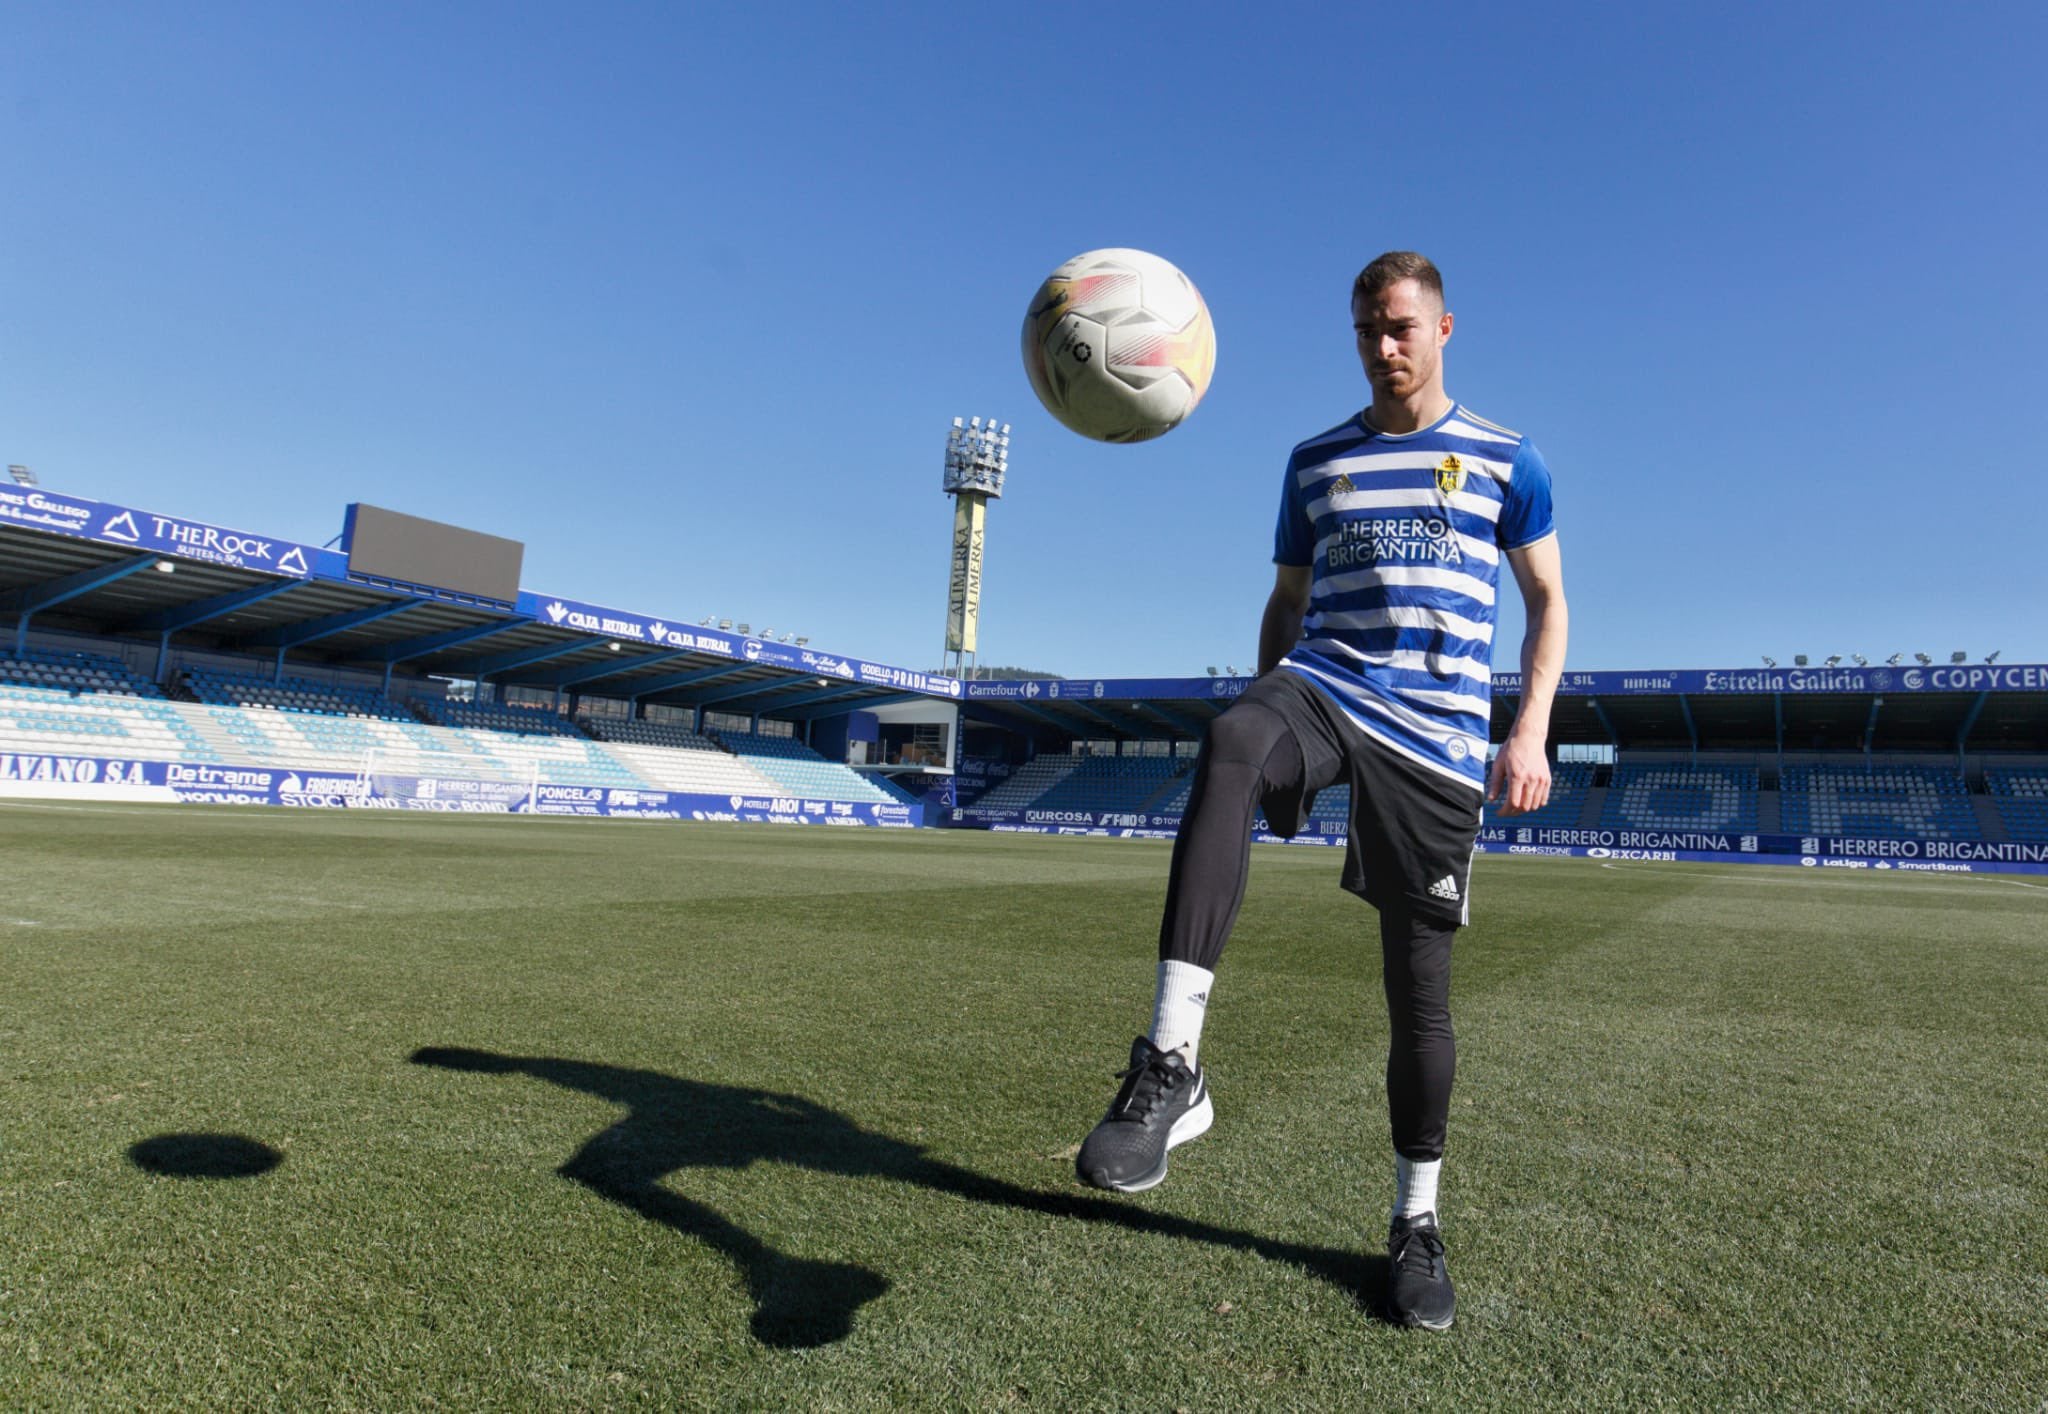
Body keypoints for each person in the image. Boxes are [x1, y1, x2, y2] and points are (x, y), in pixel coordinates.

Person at [1073, 251, 1568, 1331]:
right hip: (1327, 687)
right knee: (1229, 736)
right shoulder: (1315, 463)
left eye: (1399, 327)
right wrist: (1268, 736)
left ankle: (1415, 1221)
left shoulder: (1506, 459)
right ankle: (1171, 1064)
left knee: (1417, 996)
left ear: (1443, 329)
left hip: (1435, 740)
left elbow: (1547, 603)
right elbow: (1286, 605)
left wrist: (1527, 729)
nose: (1382, 347)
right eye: (1365, 331)